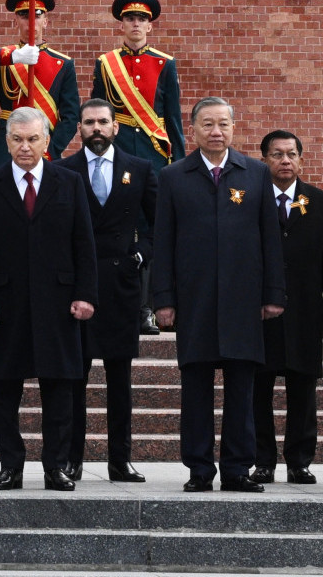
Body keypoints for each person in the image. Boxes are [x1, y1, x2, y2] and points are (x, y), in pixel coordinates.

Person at [152, 97, 285, 493]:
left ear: (233, 128)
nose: (216, 132)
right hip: (194, 301)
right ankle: (198, 469)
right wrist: (163, 298)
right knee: (196, 389)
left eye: (223, 124)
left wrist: (273, 294)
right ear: (192, 129)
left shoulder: (256, 173)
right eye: (208, 124)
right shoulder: (174, 176)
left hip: (244, 300)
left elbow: (270, 240)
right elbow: (164, 241)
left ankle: (237, 470)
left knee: (242, 390)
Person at [0, 107, 97, 492]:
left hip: (58, 304)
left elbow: (83, 243)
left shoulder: (69, 182)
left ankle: (56, 467)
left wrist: (86, 295)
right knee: (5, 390)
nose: (25, 147)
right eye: (17, 140)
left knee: (59, 390)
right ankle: (11, 466)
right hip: (6, 306)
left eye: (33, 139)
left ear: (46, 141)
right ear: (6, 142)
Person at [54, 99, 156, 483]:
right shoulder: (62, 170)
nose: (96, 128)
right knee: (72, 379)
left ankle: (120, 460)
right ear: (78, 129)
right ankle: (70, 458)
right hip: (76, 288)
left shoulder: (141, 169)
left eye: (103, 122)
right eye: (88, 123)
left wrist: (141, 254)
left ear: (116, 127)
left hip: (120, 285)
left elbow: (157, 222)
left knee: (120, 380)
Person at [250, 130, 322, 485]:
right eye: (277, 155)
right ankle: (262, 460)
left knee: (303, 390)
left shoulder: (317, 201)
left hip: (306, 314)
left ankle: (299, 460)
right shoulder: (251, 199)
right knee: (257, 389)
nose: (285, 161)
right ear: (264, 159)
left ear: (301, 159)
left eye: (291, 154)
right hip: (261, 312)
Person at [0, 0, 78, 168]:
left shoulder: (63, 64)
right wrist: (13, 57)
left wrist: (50, 149)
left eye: (37, 15)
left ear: (46, 21)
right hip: (7, 147)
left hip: (43, 145)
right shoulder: (5, 58)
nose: (31, 21)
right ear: (16, 20)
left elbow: (70, 117)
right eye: (25, 16)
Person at [91, 0, 185, 172]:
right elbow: (97, 112)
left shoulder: (165, 63)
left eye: (142, 19)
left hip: (154, 147)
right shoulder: (105, 63)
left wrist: (180, 162)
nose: (136, 24)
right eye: (130, 19)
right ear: (122, 25)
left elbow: (173, 115)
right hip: (118, 146)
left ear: (149, 26)